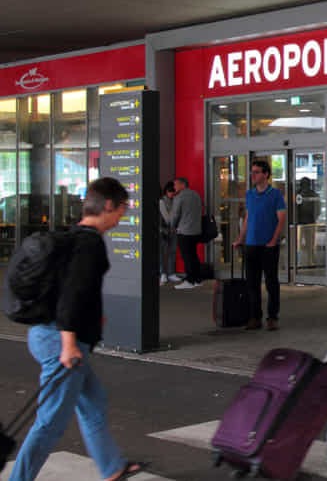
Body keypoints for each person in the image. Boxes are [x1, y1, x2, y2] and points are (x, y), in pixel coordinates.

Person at [9, 178, 148, 481]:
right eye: (123, 208)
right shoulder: (90, 244)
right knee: (50, 423)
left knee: (93, 400)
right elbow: (72, 295)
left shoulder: (72, 236)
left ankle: (111, 467)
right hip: (60, 341)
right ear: (107, 206)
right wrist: (69, 343)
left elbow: (70, 291)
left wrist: (93, 318)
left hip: (47, 334)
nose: (123, 215)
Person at [232, 160, 287, 331]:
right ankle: (255, 317)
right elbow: (248, 219)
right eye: (252, 172)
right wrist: (241, 238)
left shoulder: (275, 195)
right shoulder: (250, 195)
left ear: (266, 174)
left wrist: (273, 240)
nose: (253, 175)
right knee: (252, 283)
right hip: (251, 244)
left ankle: (272, 317)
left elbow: (281, 219)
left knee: (271, 282)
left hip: (269, 246)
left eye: (256, 172)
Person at [170, 177, 203, 290]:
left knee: (187, 257)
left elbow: (175, 215)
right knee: (194, 256)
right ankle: (197, 279)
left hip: (184, 231)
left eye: (175, 185)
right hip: (196, 231)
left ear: (182, 185)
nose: (174, 187)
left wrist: (172, 226)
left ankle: (190, 280)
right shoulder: (196, 195)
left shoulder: (179, 197)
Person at [158, 181, 180, 285]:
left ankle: (171, 273)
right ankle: (163, 274)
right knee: (162, 253)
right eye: (171, 192)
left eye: (174, 192)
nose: (173, 194)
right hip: (164, 230)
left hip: (173, 230)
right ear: (166, 191)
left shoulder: (174, 201)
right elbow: (167, 218)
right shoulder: (162, 202)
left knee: (172, 252)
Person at [296, 177, 319, 268]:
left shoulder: (298, 194)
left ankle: (302, 263)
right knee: (308, 244)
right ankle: (309, 262)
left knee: (304, 244)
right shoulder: (312, 194)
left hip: (304, 222)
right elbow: (318, 209)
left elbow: (317, 209)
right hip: (306, 222)